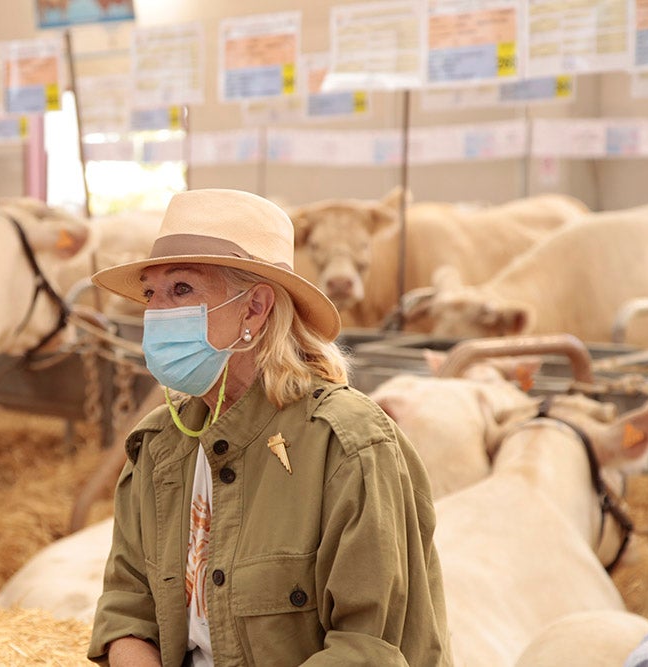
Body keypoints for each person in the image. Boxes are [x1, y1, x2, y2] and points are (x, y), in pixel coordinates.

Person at [86, 188, 452, 666]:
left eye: (182, 290)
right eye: (151, 293)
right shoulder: (160, 446)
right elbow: (127, 610)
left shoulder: (349, 447)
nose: (156, 314)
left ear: (255, 309)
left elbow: (367, 648)